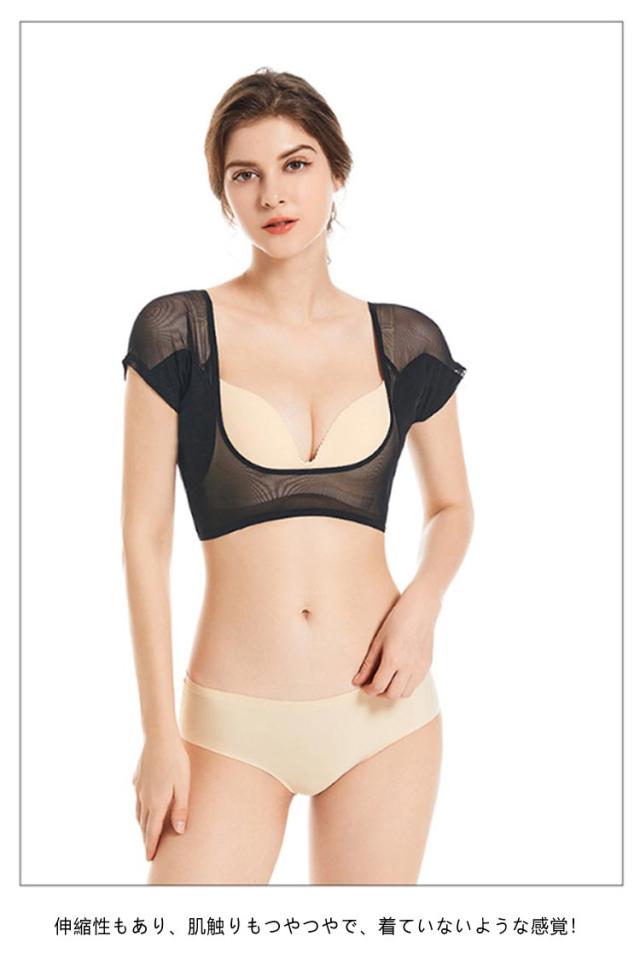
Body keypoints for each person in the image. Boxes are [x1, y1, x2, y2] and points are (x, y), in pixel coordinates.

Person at [121, 68, 473, 885]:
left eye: (296, 164)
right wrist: (159, 733)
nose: (273, 193)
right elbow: (143, 538)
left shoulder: (407, 342)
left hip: (386, 717)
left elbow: (453, 505)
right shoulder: (178, 333)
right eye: (245, 174)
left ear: (335, 171)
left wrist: (422, 604)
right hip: (227, 725)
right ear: (224, 193)